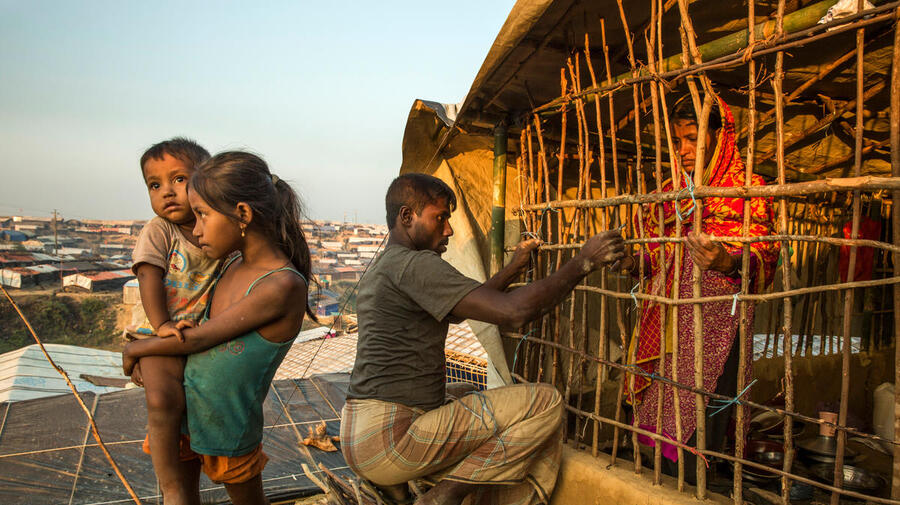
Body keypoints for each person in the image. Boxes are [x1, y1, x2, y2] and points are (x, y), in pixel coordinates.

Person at [340, 173, 626, 505]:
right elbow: (515, 312)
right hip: (391, 440)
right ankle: (446, 496)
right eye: (440, 217)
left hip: (358, 435)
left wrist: (513, 269)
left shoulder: (387, 266)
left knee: (465, 391)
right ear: (407, 217)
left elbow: (459, 310)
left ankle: (404, 487)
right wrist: (582, 262)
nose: (448, 229)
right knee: (546, 403)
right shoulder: (415, 265)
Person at [122, 152, 313, 505]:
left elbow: (199, 339)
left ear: (242, 214)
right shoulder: (231, 263)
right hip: (186, 413)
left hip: (229, 428)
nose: (195, 230)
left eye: (203, 215)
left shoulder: (281, 285)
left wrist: (136, 349)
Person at [622, 95, 779, 481]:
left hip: (717, 330)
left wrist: (728, 261)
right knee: (657, 407)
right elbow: (654, 257)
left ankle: (694, 483)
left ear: (720, 138)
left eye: (693, 139)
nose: (684, 150)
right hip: (664, 326)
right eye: (678, 142)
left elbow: (765, 254)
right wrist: (632, 262)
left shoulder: (747, 193)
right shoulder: (667, 196)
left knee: (701, 414)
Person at [129, 137, 219, 504]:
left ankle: (189, 483)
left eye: (179, 179)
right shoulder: (159, 231)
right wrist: (162, 325)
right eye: (155, 185)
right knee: (164, 401)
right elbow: (148, 276)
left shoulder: (214, 231)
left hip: (194, 337)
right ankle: (171, 488)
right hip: (157, 332)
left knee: (190, 413)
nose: (166, 191)